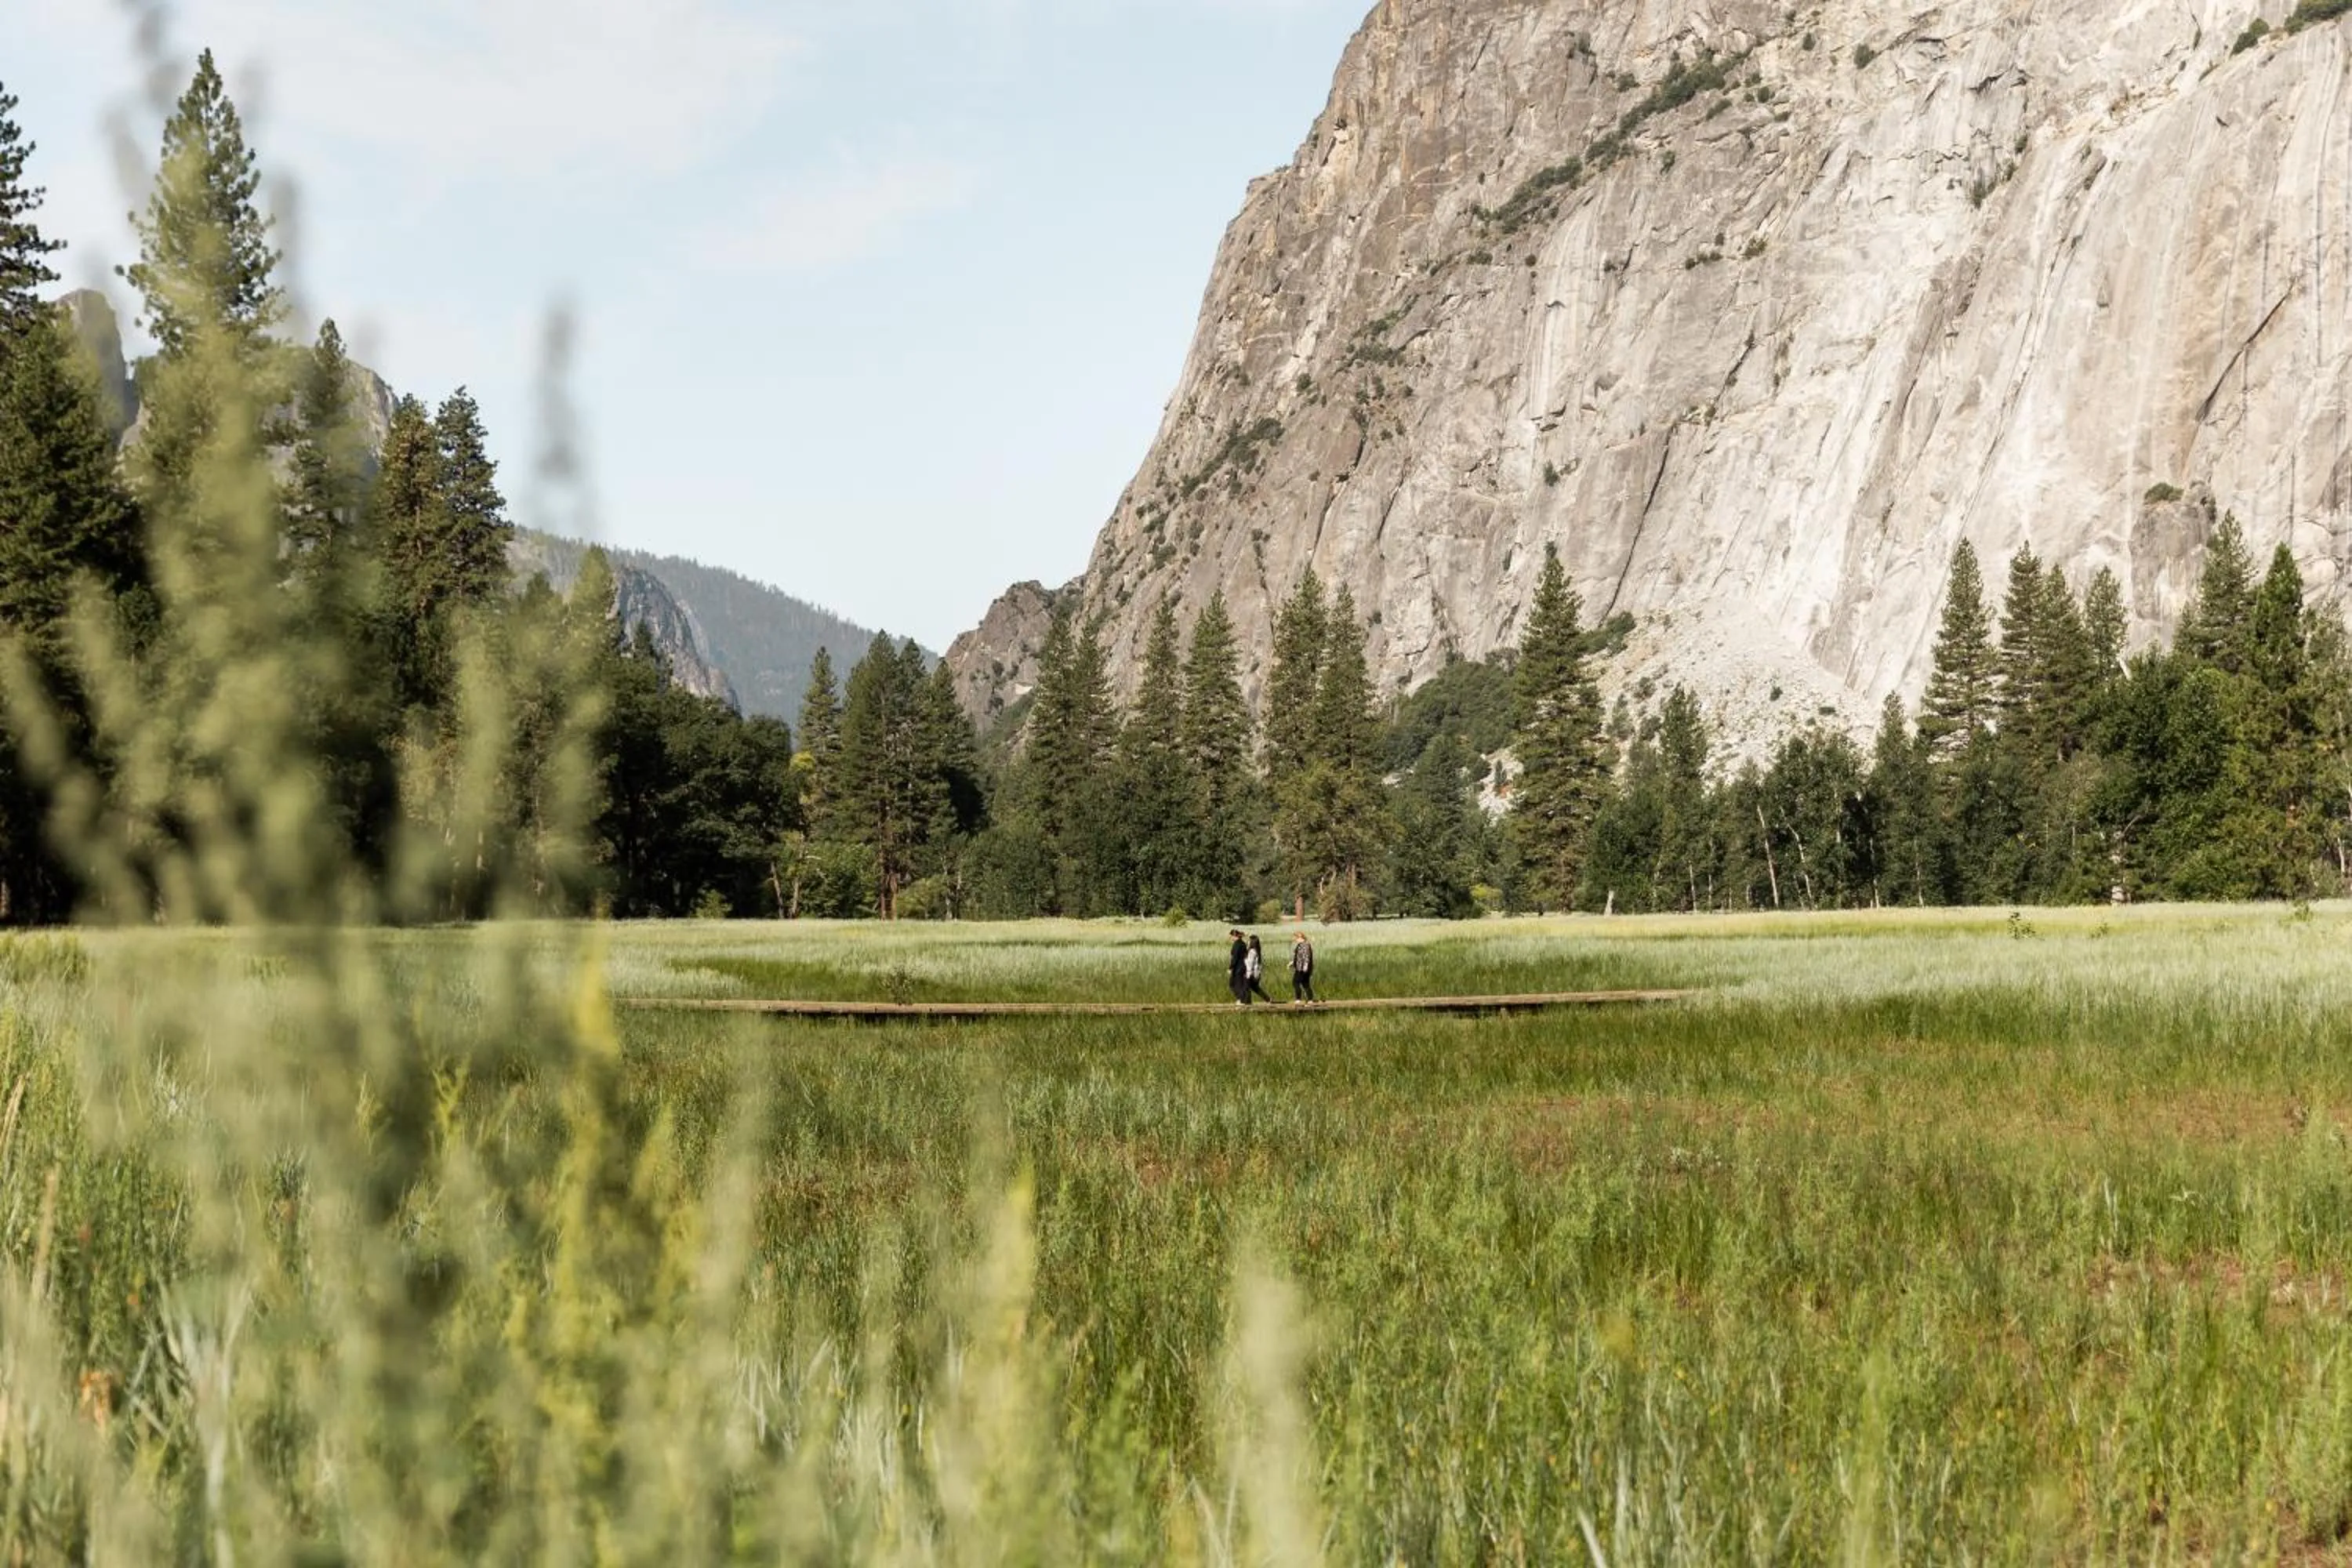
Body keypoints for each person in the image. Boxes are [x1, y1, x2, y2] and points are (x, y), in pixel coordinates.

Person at [1244, 935, 1274, 1004]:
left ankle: (1248, 1003)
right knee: (1255, 988)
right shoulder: (1257, 951)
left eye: (1249, 941)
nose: (1247, 942)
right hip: (1256, 973)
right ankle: (1268, 999)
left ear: (1251, 942)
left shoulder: (1252, 952)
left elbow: (1250, 964)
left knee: (1246, 987)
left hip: (1251, 973)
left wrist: (1247, 974)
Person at [1290, 931, 1316, 1004]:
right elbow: (1299, 957)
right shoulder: (1302, 945)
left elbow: (1306, 957)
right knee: (1305, 983)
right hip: (1301, 967)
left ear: (1300, 938)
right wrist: (1292, 963)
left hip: (1302, 968)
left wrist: (1305, 967)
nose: (1295, 940)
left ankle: (1298, 999)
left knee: (1295, 982)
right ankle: (1310, 999)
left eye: (1296, 939)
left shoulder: (1305, 945)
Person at [1228, 929, 1250, 1005]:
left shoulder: (1236, 945)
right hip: (1243, 965)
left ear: (1234, 936)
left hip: (1238, 967)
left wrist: (1231, 967)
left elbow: (1235, 957)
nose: (1230, 938)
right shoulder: (1243, 944)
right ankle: (1243, 999)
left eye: (1231, 936)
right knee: (1240, 984)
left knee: (1233, 984)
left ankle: (1241, 999)